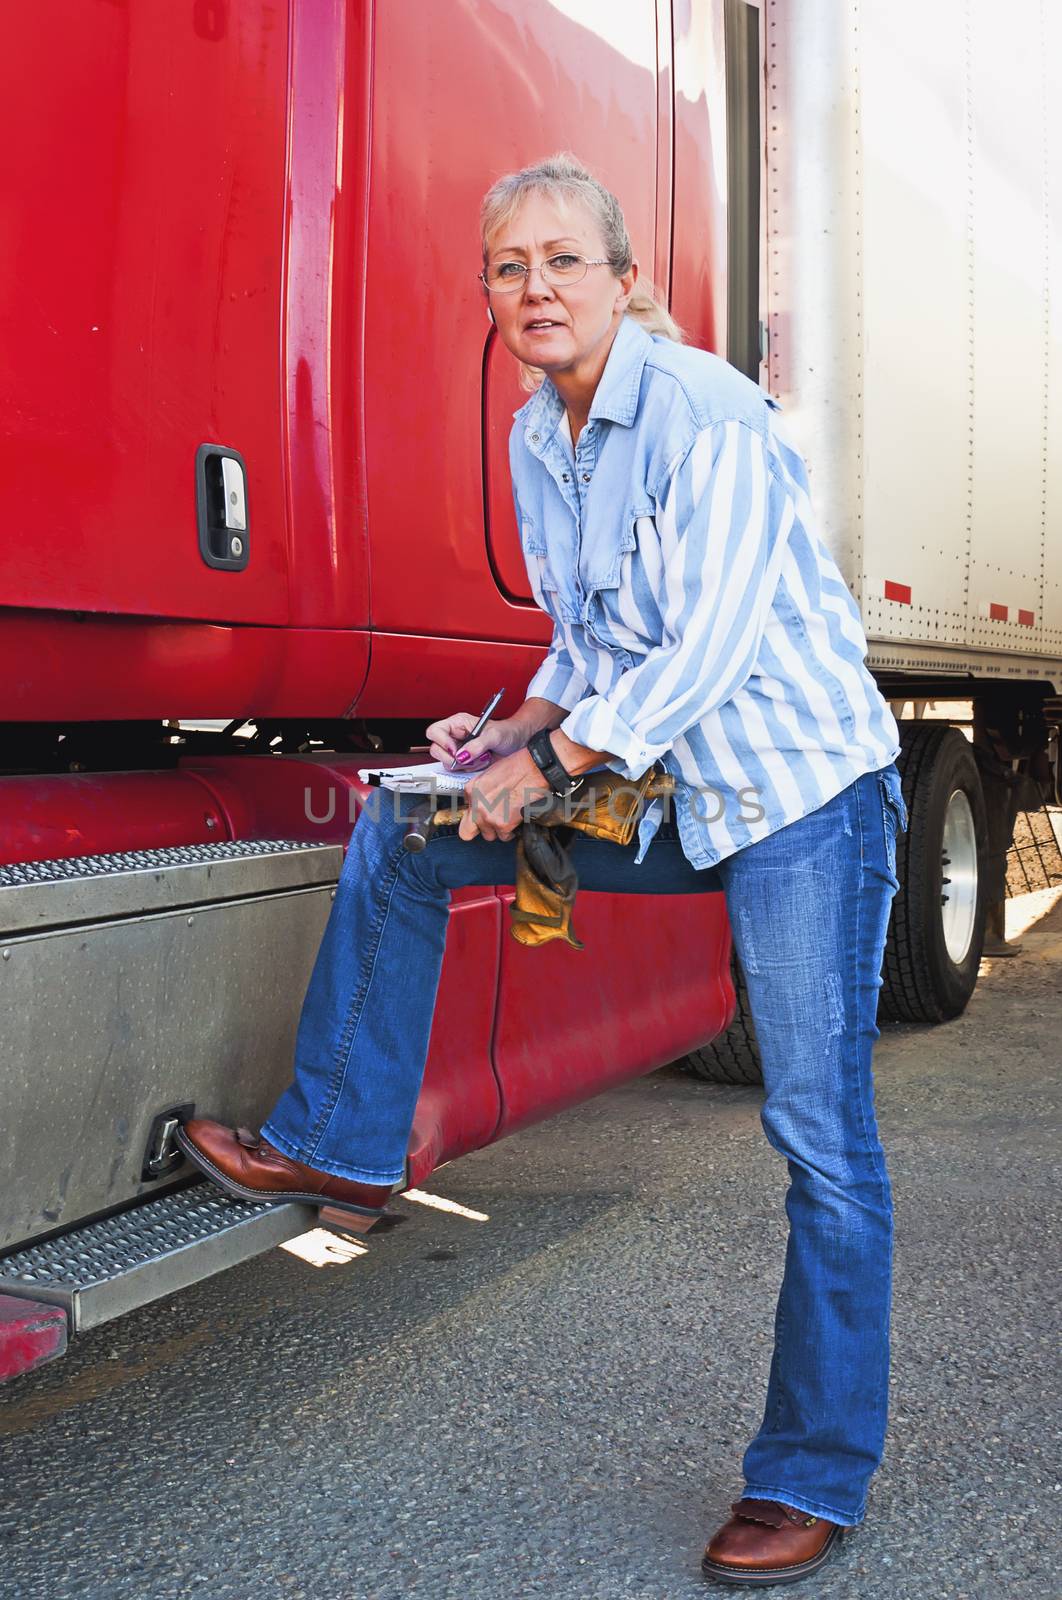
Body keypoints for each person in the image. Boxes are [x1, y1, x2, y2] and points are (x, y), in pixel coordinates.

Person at [178, 153, 909, 1588]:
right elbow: (594, 644)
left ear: (628, 281)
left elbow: (704, 648)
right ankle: (343, 1143)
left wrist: (554, 769)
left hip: (799, 804)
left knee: (822, 1149)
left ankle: (811, 1473)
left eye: (564, 262)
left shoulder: (710, 419)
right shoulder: (536, 434)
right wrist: (510, 725)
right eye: (509, 269)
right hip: (661, 785)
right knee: (401, 829)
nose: (535, 291)